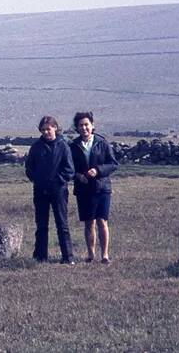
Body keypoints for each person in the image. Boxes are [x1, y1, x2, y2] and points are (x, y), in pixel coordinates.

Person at [24, 115, 76, 264]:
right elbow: (29, 168)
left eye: (49, 129)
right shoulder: (36, 147)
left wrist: (58, 180)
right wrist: (37, 179)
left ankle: (68, 257)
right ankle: (40, 257)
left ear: (55, 128)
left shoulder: (63, 145)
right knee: (41, 225)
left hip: (59, 190)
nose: (46, 132)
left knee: (62, 224)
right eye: (43, 129)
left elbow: (70, 169)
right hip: (40, 190)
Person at [70, 111, 118, 263]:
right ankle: (90, 254)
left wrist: (98, 170)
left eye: (86, 124)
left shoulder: (102, 143)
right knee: (89, 222)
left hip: (102, 188)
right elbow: (69, 168)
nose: (84, 128)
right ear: (77, 128)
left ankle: (104, 255)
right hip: (84, 189)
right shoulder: (73, 146)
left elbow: (112, 164)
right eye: (80, 125)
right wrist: (79, 176)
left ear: (92, 125)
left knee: (102, 221)